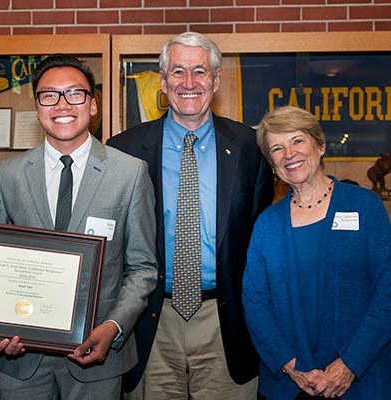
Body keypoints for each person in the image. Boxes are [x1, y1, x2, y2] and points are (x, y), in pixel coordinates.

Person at [107, 31, 274, 399]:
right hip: (150, 321)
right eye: (177, 72)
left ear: (216, 79)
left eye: (200, 71)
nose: (189, 83)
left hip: (225, 322)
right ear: (163, 82)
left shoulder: (250, 148)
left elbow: (261, 240)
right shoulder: (124, 150)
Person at [0, 54, 158, 400]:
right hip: (22, 358)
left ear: (93, 105)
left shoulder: (130, 173)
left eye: (75, 94)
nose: (62, 104)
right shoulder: (9, 175)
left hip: (97, 355)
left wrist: (113, 327)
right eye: (49, 95)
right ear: (37, 107)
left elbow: (143, 268)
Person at [243, 106, 391, 400]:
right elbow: (255, 301)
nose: (289, 154)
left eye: (297, 140)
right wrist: (291, 364)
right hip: (289, 383)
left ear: (320, 145)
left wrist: (349, 364)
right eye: (277, 148)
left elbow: (387, 291)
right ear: (272, 163)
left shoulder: (365, 207)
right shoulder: (267, 224)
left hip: (360, 379)